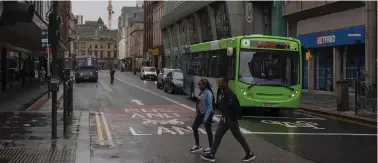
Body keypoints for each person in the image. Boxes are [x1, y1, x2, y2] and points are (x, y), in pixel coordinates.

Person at [201, 76, 255, 162]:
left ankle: (249, 153)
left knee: (238, 136)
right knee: (218, 134)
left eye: (220, 82)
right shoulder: (223, 92)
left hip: (230, 119)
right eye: (218, 82)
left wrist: (231, 119)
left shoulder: (229, 93)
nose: (219, 83)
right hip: (225, 119)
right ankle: (212, 154)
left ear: (226, 83)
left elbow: (233, 108)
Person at [190, 78, 215, 154]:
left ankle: (211, 147)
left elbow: (210, 107)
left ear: (205, 85)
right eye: (198, 84)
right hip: (201, 113)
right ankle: (198, 145)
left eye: (200, 85)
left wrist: (206, 118)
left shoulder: (208, 93)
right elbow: (199, 102)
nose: (199, 86)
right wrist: (197, 111)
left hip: (208, 113)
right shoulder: (202, 92)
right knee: (194, 127)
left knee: (208, 130)